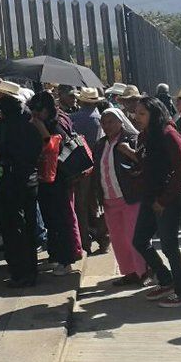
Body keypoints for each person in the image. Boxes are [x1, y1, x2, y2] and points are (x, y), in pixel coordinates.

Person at [129, 97, 181, 307]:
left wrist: (164, 200)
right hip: (149, 197)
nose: (136, 118)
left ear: (154, 115)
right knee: (139, 240)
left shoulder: (169, 134)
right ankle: (166, 280)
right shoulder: (147, 135)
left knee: (169, 246)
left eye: (142, 114)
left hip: (166, 199)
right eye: (136, 113)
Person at [0, 85, 45, 287]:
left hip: (11, 182)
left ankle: (19, 273)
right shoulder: (31, 122)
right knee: (29, 226)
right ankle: (32, 271)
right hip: (31, 179)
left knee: (12, 228)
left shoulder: (5, 126)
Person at [29, 92, 83, 276]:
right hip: (47, 178)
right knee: (51, 218)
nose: (35, 114)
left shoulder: (56, 123)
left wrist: (41, 130)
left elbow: (55, 149)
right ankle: (56, 255)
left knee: (61, 218)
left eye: (38, 110)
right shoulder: (51, 120)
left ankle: (66, 260)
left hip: (59, 178)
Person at [93, 108, 148, 285]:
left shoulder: (132, 140)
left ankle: (144, 272)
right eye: (104, 122)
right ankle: (130, 272)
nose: (107, 125)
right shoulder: (101, 144)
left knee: (135, 236)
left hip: (130, 196)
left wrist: (129, 151)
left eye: (111, 121)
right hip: (109, 199)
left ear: (120, 122)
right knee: (118, 238)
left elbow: (144, 164)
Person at [71, 88, 107, 255]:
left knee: (82, 206)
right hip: (100, 166)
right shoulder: (103, 118)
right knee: (100, 204)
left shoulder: (75, 119)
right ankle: (103, 238)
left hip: (83, 167)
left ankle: (85, 241)